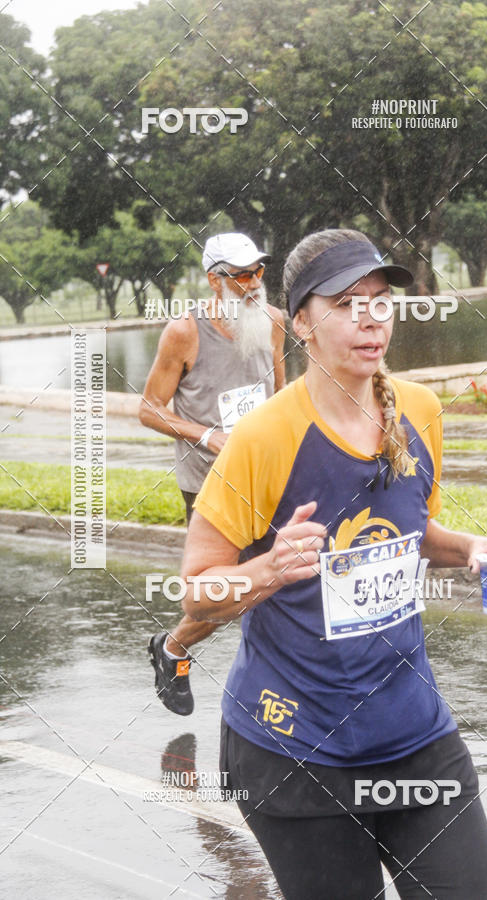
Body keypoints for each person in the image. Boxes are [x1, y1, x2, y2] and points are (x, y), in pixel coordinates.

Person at [178, 228, 487, 898]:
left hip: (411, 732)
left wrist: (471, 548)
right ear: (302, 321)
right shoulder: (265, 438)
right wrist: (269, 568)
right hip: (294, 748)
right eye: (345, 302)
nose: (369, 318)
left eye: (380, 300)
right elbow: (197, 592)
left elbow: (405, 535)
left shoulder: (419, 410)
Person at [139, 232, 286, 715]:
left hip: (269, 480)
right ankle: (174, 647)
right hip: (209, 485)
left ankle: (285, 692)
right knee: (230, 593)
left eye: (258, 272)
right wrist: (208, 436)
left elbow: (283, 399)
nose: (253, 283)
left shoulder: (273, 322)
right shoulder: (184, 332)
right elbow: (150, 409)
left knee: (285, 581)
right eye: (241, 275)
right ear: (214, 280)